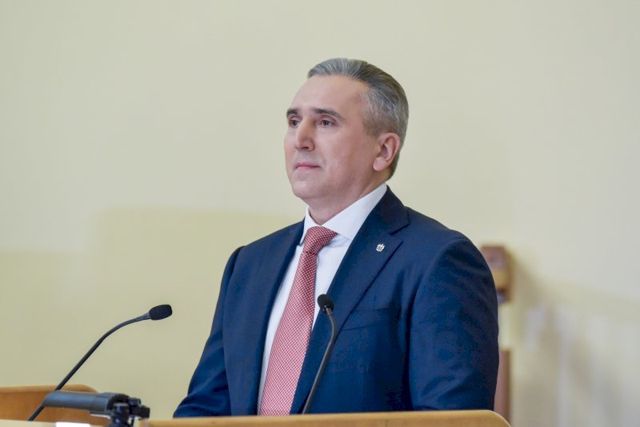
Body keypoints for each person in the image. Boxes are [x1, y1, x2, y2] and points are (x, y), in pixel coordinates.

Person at [174, 58, 498, 416]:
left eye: (325, 122)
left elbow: (450, 420)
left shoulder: (437, 260)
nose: (300, 139)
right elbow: (206, 410)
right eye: (294, 121)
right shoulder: (250, 265)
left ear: (383, 150)